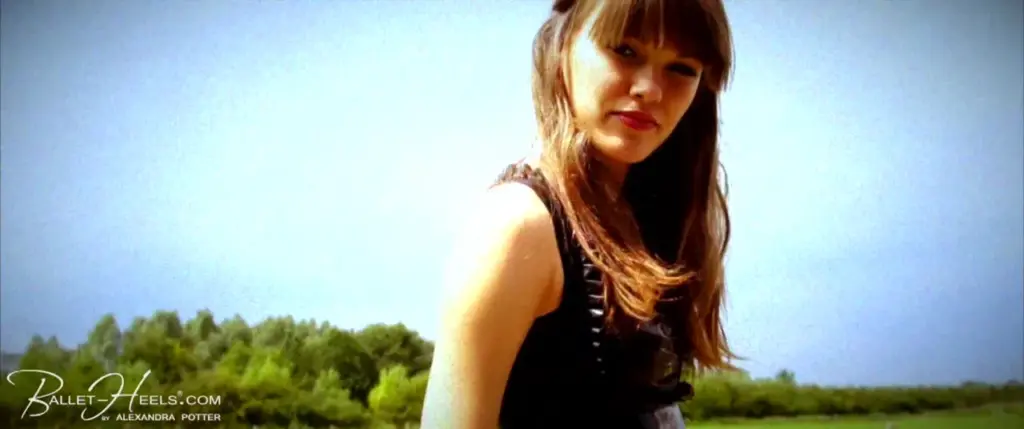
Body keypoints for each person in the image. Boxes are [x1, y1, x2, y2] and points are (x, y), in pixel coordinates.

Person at [421, 0, 738, 427]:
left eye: (682, 68)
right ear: (563, 45)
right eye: (625, 50)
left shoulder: (642, 223)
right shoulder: (519, 226)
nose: (650, 89)